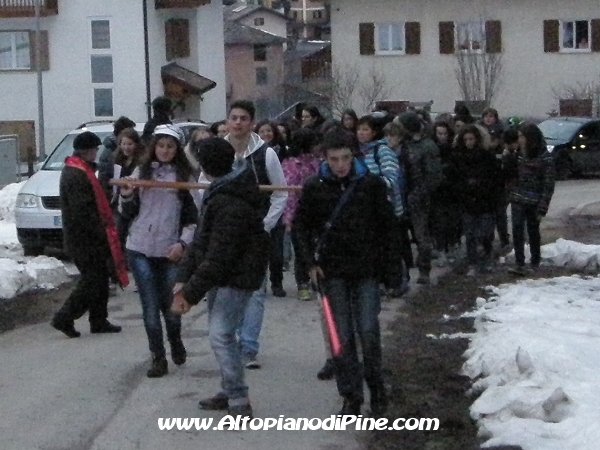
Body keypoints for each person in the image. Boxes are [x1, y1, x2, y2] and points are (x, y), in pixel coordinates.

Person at [293, 129, 397, 416]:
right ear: (325, 158)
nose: (341, 164)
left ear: (354, 157)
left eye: (346, 158)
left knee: (367, 330)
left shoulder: (371, 184)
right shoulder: (315, 186)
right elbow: (300, 226)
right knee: (342, 336)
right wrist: (308, 265)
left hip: (366, 269)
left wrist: (391, 272)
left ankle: (376, 389)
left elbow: (388, 228)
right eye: (334, 158)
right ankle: (350, 395)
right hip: (332, 271)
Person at [172, 138, 269, 420]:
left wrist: (189, 294)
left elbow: (218, 256)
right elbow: (202, 241)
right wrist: (183, 277)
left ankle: (239, 398)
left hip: (238, 276)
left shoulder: (229, 201)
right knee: (222, 333)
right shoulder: (223, 191)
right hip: (228, 274)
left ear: (205, 166)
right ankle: (228, 390)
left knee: (221, 335)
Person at [119, 124, 198, 378]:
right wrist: (127, 195)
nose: (164, 151)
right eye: (161, 146)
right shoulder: (140, 172)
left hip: (169, 251)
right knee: (150, 307)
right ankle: (157, 357)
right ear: (154, 147)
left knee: (171, 307)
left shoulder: (185, 179)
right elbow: (127, 212)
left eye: (170, 146)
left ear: (177, 149)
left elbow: (192, 218)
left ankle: (175, 341)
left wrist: (182, 244)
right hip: (139, 247)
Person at [225, 100, 288, 369]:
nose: (238, 122)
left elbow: (280, 192)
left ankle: (248, 346)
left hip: (256, 233)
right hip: (226, 233)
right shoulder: (217, 151)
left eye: (243, 118)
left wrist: (267, 224)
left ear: (251, 122)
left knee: (254, 291)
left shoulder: (266, 154)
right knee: (228, 290)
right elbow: (201, 187)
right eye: (234, 117)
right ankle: (231, 341)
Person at [51, 131, 127, 338]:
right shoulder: (76, 174)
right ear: (86, 151)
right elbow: (82, 211)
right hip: (84, 238)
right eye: (94, 149)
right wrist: (102, 233)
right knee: (92, 281)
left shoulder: (81, 169)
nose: (96, 152)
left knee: (100, 280)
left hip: (88, 237)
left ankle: (98, 320)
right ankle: (64, 317)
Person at [356, 115, 406, 296]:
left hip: (386, 208)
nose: (361, 133)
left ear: (374, 132)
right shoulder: (357, 152)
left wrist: (371, 184)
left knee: (389, 248)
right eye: (359, 129)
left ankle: (396, 282)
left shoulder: (383, 151)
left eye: (365, 129)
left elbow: (392, 179)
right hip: (366, 210)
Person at [398, 112, 443, 285]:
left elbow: (434, 176)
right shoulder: (404, 144)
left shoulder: (427, 146)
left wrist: (419, 193)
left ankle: (424, 268)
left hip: (419, 195)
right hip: (403, 193)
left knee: (421, 235)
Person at [504, 123, 555, 275]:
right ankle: (519, 262)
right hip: (518, 198)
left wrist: (542, 207)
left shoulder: (545, 158)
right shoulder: (517, 154)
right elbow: (510, 175)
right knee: (517, 230)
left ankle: (535, 261)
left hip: (534, 200)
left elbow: (548, 185)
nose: (519, 139)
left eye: (522, 136)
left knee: (533, 231)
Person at [450, 124, 500, 275]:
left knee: (485, 233)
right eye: (466, 139)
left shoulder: (487, 157)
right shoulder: (458, 158)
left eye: (471, 139)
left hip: (485, 200)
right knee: (470, 234)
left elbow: (495, 179)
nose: (469, 142)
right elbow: (455, 179)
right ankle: (473, 263)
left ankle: (487, 256)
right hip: (467, 201)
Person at [281, 128, 321, 301]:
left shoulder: (317, 163)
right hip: (298, 214)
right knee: (301, 250)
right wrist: (288, 218)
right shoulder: (291, 165)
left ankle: (316, 279)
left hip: (318, 213)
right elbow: (288, 194)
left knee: (316, 248)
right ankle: (302, 283)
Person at [430, 121, 461, 266]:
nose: (442, 137)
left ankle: (451, 248)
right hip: (437, 192)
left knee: (452, 222)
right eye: (439, 133)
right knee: (440, 223)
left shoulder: (454, 151)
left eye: (444, 133)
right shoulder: (432, 150)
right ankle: (442, 250)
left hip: (452, 192)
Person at [98, 116, 136, 201]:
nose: (127, 147)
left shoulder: (136, 155)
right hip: (115, 198)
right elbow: (103, 178)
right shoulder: (110, 154)